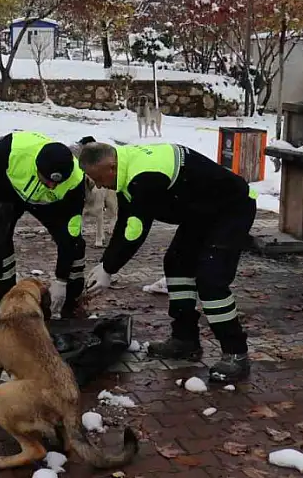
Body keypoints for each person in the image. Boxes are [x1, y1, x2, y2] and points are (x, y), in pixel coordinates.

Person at [78, 141, 257, 383]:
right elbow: (126, 220)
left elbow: (135, 228)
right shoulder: (128, 167)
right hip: (202, 212)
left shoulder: (144, 176)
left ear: (111, 166)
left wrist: (108, 268)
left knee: (211, 280)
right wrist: (105, 263)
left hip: (231, 209)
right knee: (177, 263)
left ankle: (236, 353)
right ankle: (185, 340)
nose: (98, 185)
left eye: (97, 178)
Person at [0, 131, 87, 318]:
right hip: (8, 190)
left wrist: (61, 280)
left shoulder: (75, 182)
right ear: (36, 167)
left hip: (50, 204)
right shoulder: (12, 150)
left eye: (56, 183)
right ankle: (6, 298)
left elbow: (70, 235)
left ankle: (70, 300)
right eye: (47, 180)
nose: (52, 186)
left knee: (75, 243)